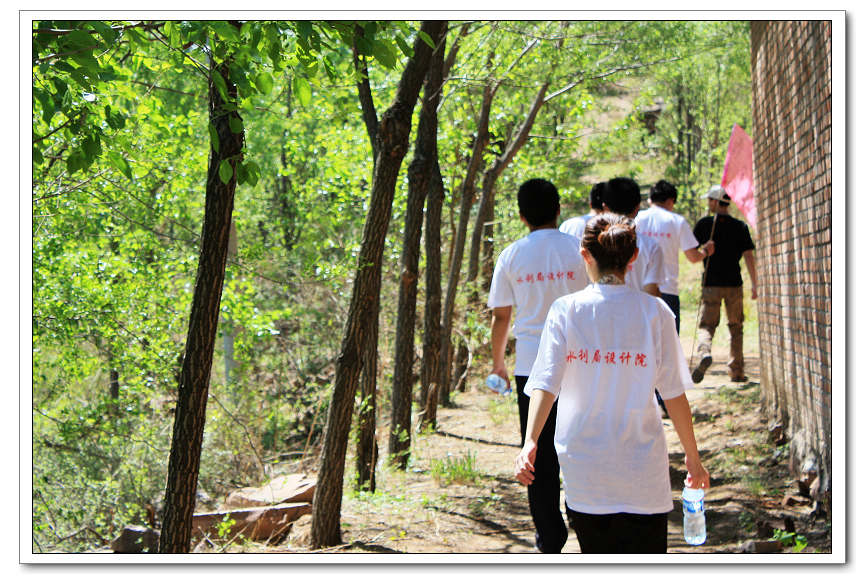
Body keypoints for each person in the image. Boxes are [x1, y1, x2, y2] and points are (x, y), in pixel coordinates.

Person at [514, 213, 710, 553]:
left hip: (585, 468)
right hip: (644, 470)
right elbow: (674, 394)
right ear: (634, 257)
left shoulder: (566, 310)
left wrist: (530, 441)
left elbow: (546, 383)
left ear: (585, 255)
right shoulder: (656, 312)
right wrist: (693, 459)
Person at [487, 178, 589, 553]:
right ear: (558, 209)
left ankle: (549, 539)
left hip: (531, 367)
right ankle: (586, 521)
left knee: (537, 455)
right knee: (580, 446)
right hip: (581, 363)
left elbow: (501, 316)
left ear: (521, 215)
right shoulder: (580, 249)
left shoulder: (512, 255)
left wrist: (498, 363)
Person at [690, 185, 758, 384]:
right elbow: (748, 256)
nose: (708, 204)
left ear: (714, 201)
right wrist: (755, 283)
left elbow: (691, 251)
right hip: (734, 284)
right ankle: (736, 371)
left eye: (709, 200)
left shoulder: (704, 225)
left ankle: (704, 352)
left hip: (711, 284)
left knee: (707, 325)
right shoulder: (740, 226)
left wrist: (704, 250)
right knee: (736, 327)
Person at [635, 180, 714, 333]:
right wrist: (706, 251)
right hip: (668, 289)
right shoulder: (677, 221)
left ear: (650, 199)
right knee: (669, 339)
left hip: (640, 289)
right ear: (671, 201)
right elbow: (693, 257)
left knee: (643, 339)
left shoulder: (638, 219)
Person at [600, 178, 663, 297]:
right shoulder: (651, 246)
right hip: (638, 308)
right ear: (637, 208)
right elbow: (651, 292)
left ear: (605, 208)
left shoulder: (593, 243)